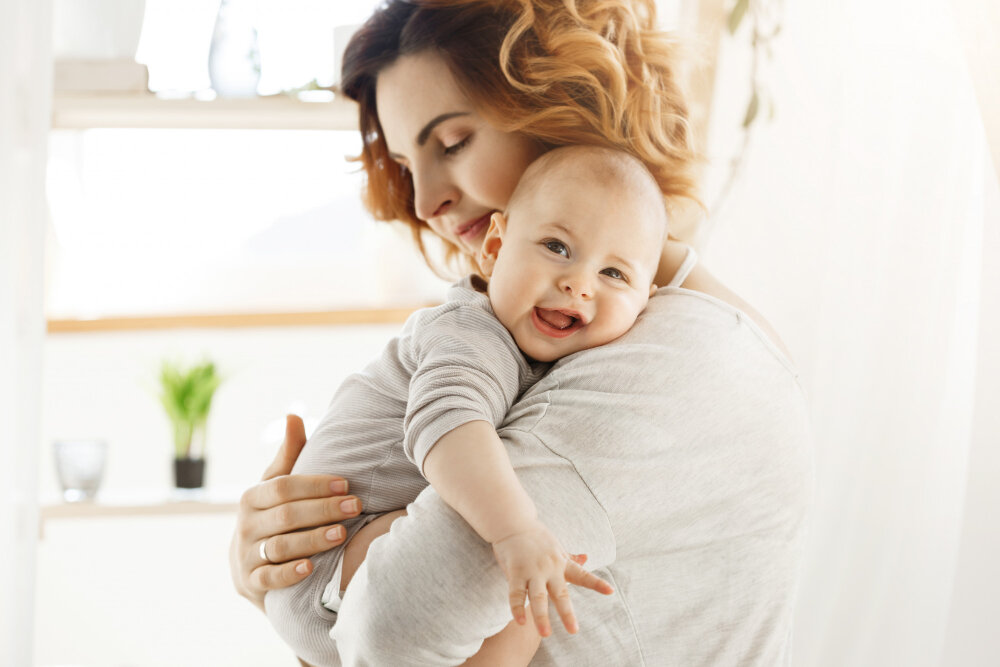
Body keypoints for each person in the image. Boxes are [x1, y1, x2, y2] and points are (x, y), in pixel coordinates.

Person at [229, 1, 814, 665]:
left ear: (563, 101)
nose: (424, 204)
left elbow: (391, 626)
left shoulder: (672, 359)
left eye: (452, 143)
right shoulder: (554, 330)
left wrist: (330, 566)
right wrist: (280, 572)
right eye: (406, 164)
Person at [265, 146, 670, 666]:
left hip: (341, 571)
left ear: (647, 301)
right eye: (556, 246)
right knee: (504, 569)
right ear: (495, 248)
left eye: (615, 275)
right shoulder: (471, 334)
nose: (579, 283)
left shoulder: (560, 356)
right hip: (330, 557)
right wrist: (518, 530)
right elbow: (448, 428)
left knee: (527, 607)